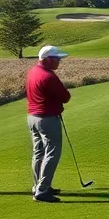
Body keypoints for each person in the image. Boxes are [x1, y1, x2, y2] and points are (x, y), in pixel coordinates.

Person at [26, 44, 71, 203]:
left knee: (39, 152)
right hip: (47, 118)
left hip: (32, 117)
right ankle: (42, 189)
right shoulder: (49, 76)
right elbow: (65, 96)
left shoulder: (33, 72)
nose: (59, 62)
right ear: (48, 60)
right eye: (57, 59)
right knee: (52, 152)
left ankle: (38, 185)